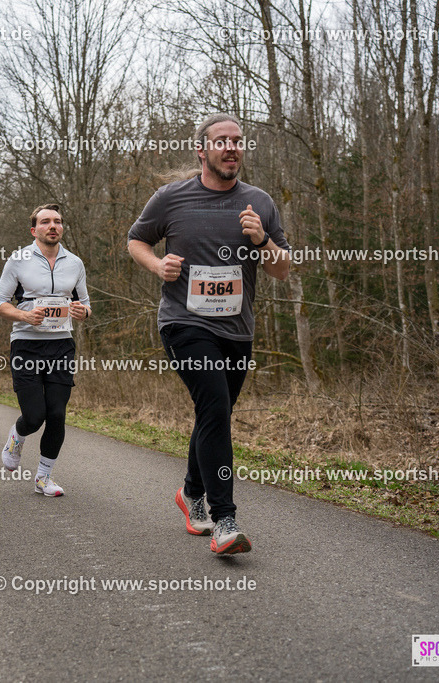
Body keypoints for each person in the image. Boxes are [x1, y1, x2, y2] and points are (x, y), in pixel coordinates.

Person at [127, 113, 290, 554]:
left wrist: (263, 242)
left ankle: (189, 493)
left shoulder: (259, 202)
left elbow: (282, 269)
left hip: (237, 331)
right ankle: (225, 521)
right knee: (215, 406)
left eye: (238, 141)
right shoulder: (171, 198)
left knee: (213, 414)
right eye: (222, 141)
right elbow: (136, 240)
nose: (232, 148)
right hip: (184, 322)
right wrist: (158, 265)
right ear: (202, 150)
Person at [0, 203, 92, 497]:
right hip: (26, 343)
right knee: (35, 416)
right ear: (34, 229)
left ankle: (44, 477)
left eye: (58, 221)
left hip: (61, 344)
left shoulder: (75, 262)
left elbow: (86, 304)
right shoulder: (18, 260)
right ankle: (17, 436)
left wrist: (81, 312)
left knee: (57, 414)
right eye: (46, 221)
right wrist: (23, 315)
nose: (53, 226)